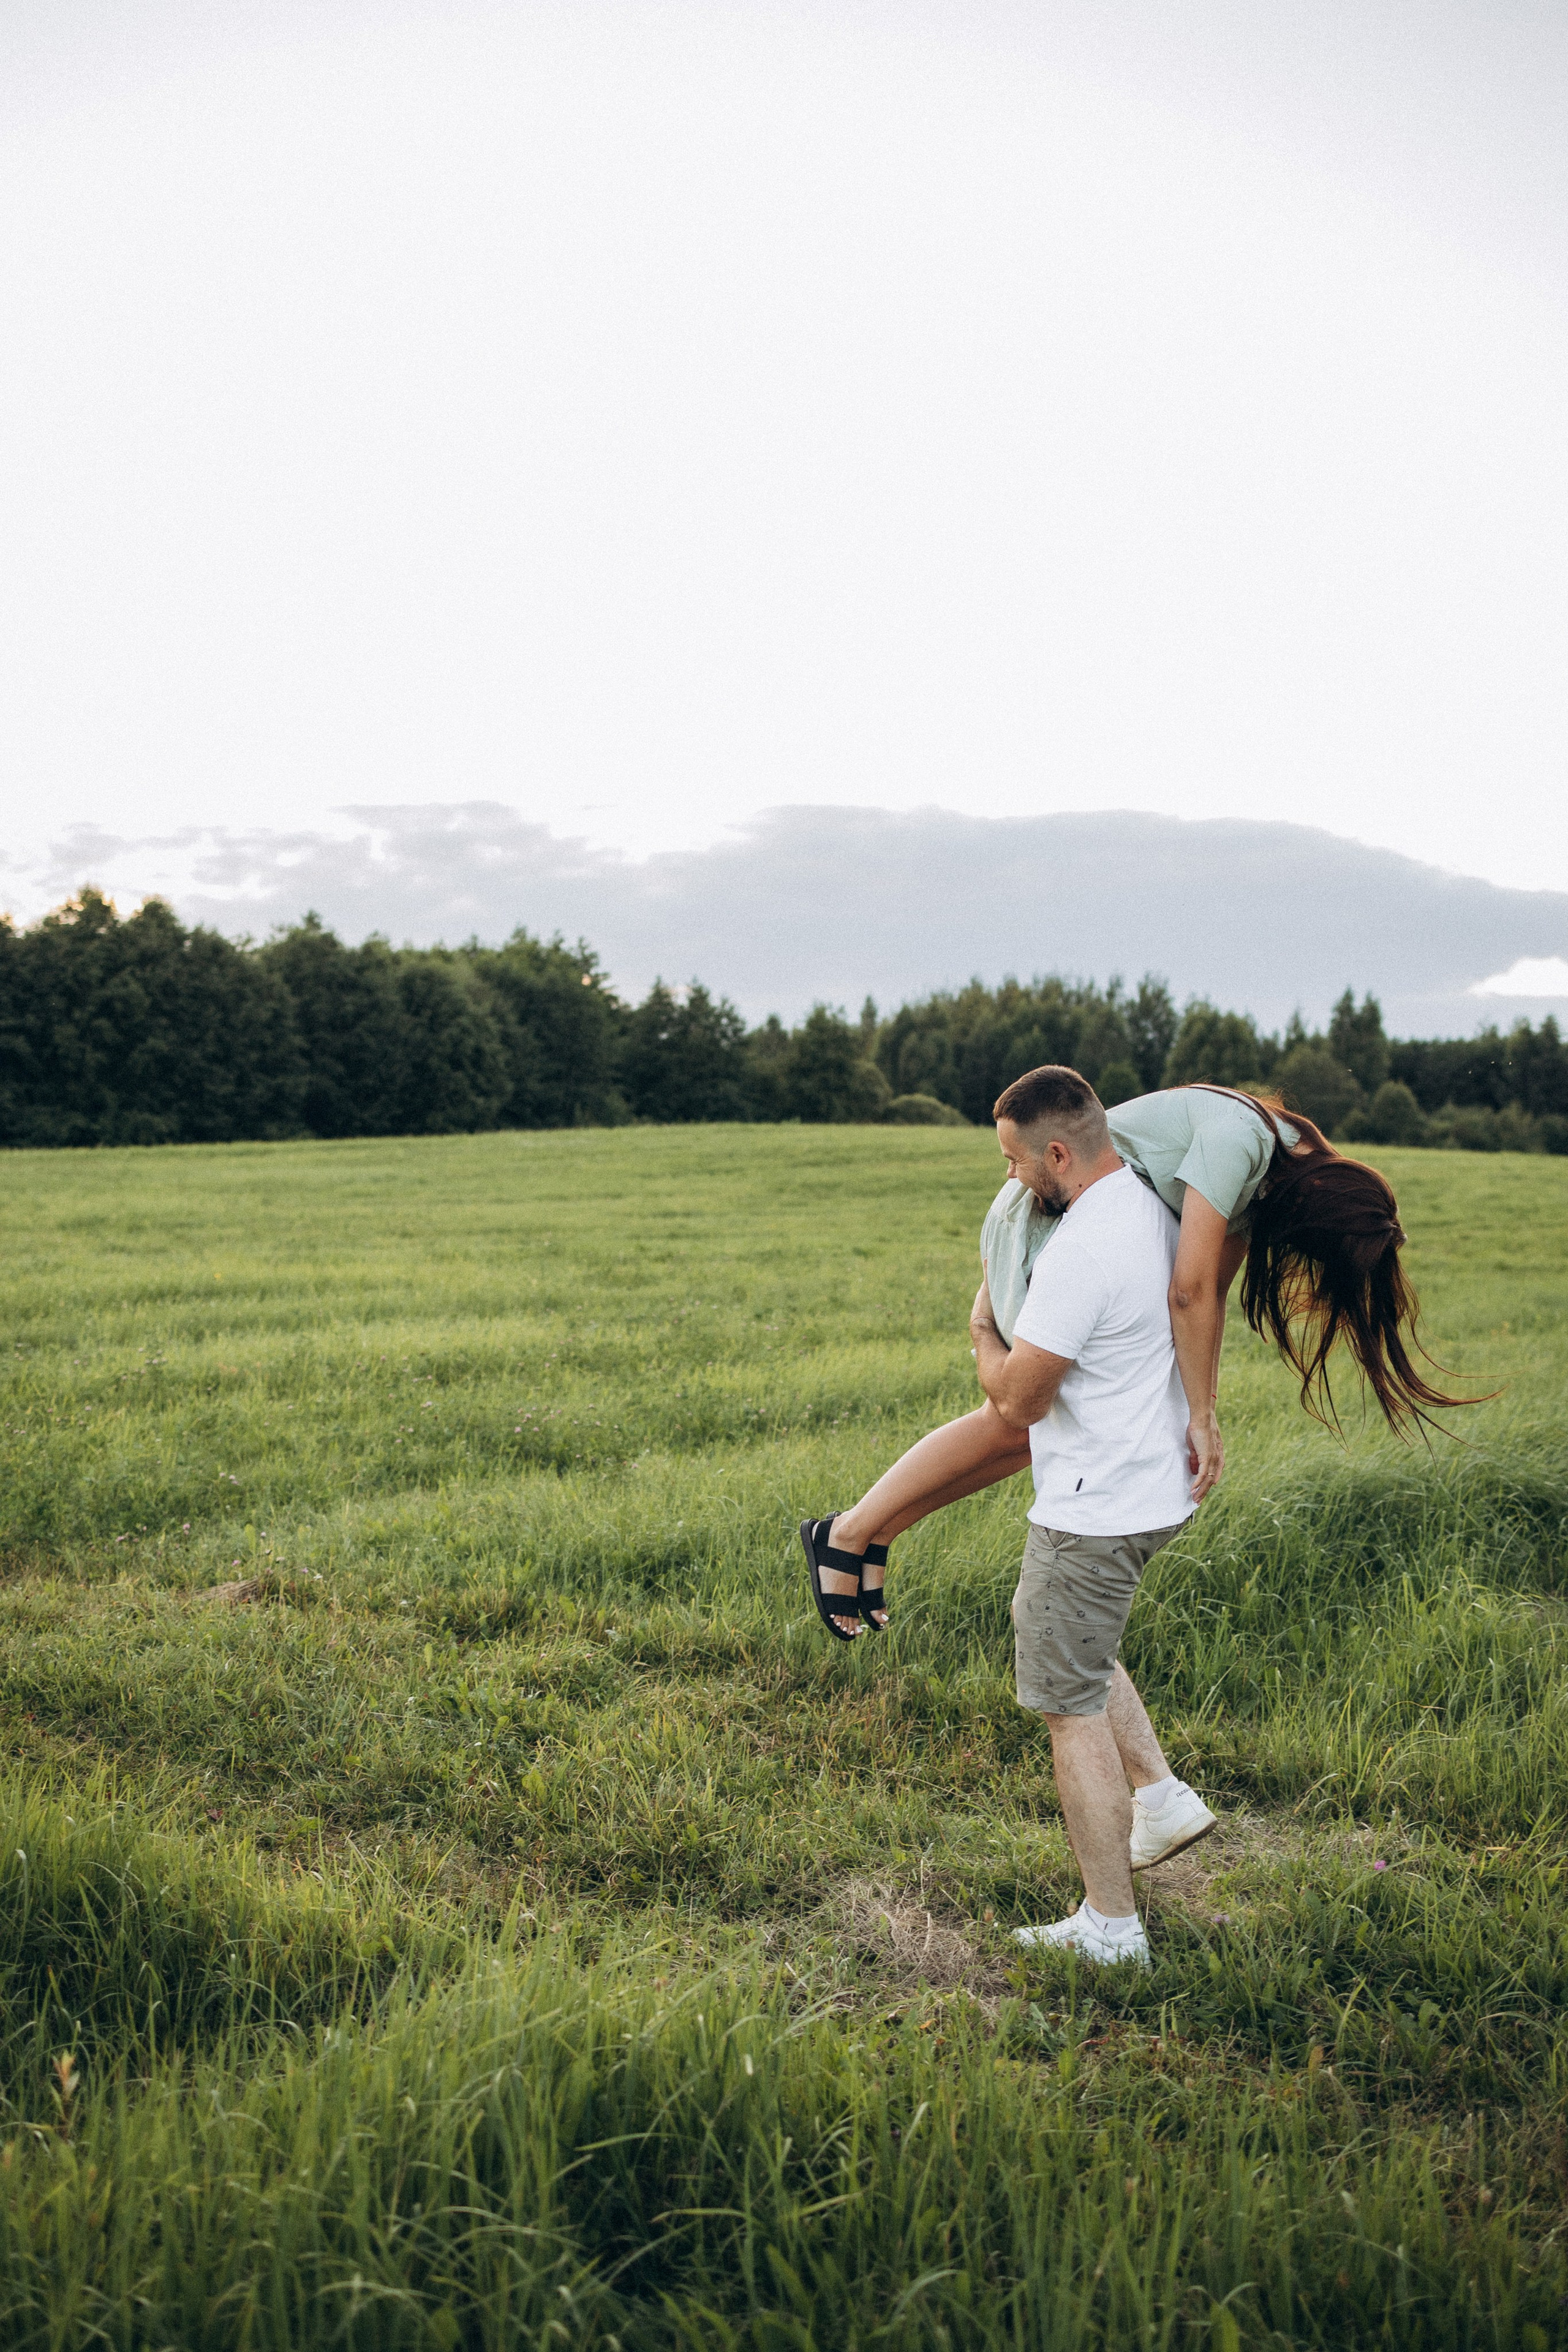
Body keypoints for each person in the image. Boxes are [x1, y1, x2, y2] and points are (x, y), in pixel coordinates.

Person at [801, 1072, 1468, 1643]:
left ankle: (873, 1531)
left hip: (1082, 1230)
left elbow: (1205, 1292)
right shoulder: (1242, 1143)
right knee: (1014, 1416)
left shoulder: (1272, 1162)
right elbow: (1189, 1289)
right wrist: (1201, 1416)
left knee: (1031, 1432)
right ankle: (849, 1531)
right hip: (1038, 1214)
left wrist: (1200, 1408)